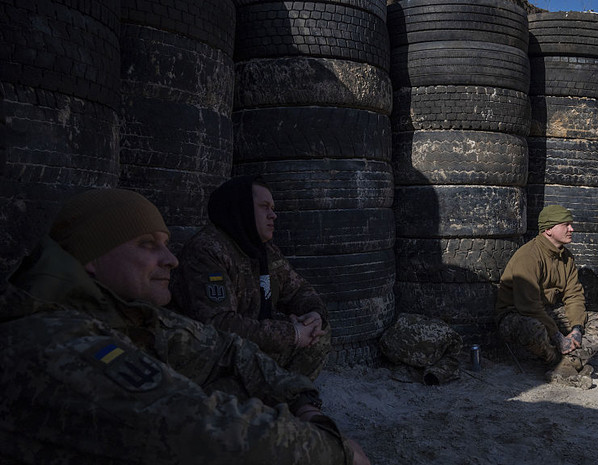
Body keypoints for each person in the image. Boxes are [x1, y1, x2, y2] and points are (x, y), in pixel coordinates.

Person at [0, 188, 369, 464]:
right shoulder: (53, 340)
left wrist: (303, 397)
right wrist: (337, 453)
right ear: (91, 257)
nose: (171, 259)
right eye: (148, 245)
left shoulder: (128, 313)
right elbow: (199, 426)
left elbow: (226, 346)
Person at [171, 176, 330, 380]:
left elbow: (299, 290)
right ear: (241, 209)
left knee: (320, 333)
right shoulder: (207, 250)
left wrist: (313, 315)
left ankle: (287, 395)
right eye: (264, 207)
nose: (273, 215)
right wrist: (292, 334)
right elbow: (219, 324)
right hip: (215, 355)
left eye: (273, 208)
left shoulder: (264, 249)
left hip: (252, 342)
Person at [496, 205, 598, 389]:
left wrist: (576, 329)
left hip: (547, 311)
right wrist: (557, 337)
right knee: (535, 328)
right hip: (517, 314)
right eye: (566, 225)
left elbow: (573, 295)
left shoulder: (567, 257)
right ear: (548, 229)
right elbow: (528, 306)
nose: (571, 229)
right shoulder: (528, 256)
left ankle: (568, 363)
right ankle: (558, 361)